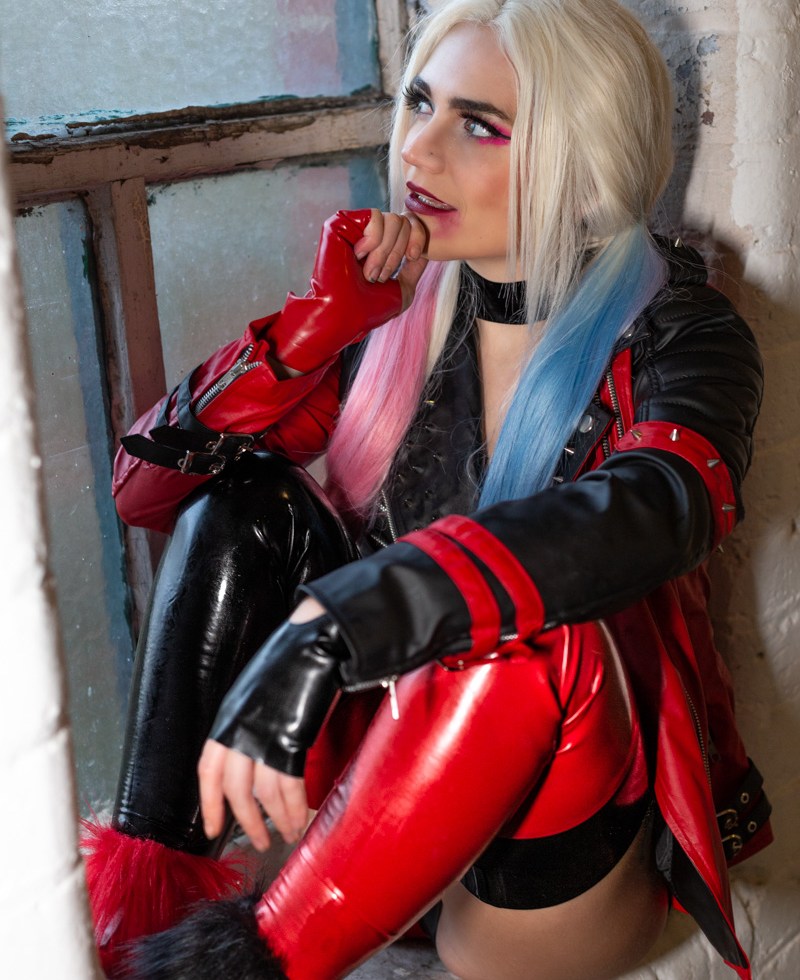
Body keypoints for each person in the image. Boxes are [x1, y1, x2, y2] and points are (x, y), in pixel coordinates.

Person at [80, 1, 772, 978]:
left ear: (584, 167)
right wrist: (315, 329)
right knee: (243, 505)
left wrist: (339, 622)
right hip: (373, 793)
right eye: (417, 102)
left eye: (478, 125)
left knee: (539, 633)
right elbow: (146, 495)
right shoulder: (395, 322)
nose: (417, 149)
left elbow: (659, 505)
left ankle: (229, 968)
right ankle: (139, 921)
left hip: (550, 823)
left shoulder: (679, 334)